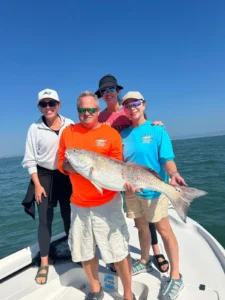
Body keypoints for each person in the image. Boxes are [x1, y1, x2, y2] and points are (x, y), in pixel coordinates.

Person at [58, 91, 136, 300]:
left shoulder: (110, 134)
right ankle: (95, 288)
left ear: (98, 110)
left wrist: (128, 185)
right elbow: (61, 163)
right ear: (77, 111)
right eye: (82, 110)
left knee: (119, 251)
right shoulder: (68, 133)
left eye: (91, 109)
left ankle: (128, 294)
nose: (87, 113)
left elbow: (119, 167)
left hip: (108, 203)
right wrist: (70, 165)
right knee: (85, 251)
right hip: (79, 205)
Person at [95, 74, 169, 274]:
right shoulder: (100, 117)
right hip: (115, 170)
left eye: (111, 89)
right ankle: (122, 254)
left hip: (135, 169)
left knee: (148, 208)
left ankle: (156, 250)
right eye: (103, 91)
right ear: (100, 95)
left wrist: (158, 124)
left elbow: (144, 125)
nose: (108, 93)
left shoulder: (128, 108)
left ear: (117, 91)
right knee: (134, 215)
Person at [120, 91, 186, 300]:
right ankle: (145, 259)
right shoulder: (123, 135)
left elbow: (166, 158)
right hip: (132, 191)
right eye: (128, 105)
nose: (132, 107)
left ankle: (175, 276)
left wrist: (173, 174)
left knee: (164, 231)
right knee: (140, 227)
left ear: (144, 104)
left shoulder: (158, 131)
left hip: (155, 190)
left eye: (136, 103)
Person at [22, 89, 73, 285]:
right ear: (39, 107)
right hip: (43, 176)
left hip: (66, 175)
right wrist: (36, 184)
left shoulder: (70, 124)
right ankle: (44, 262)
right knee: (45, 219)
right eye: (44, 104)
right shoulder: (34, 128)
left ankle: (75, 252)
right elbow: (30, 159)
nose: (48, 107)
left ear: (59, 105)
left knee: (70, 216)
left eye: (52, 103)